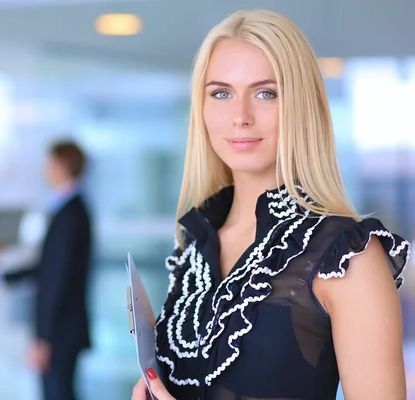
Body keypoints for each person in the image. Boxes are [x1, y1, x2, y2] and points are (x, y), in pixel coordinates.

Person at [132, 9, 410, 400]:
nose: (240, 116)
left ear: (301, 105)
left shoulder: (347, 255)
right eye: (221, 93)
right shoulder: (193, 247)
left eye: (266, 93)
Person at [4, 141, 93, 400]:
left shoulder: (69, 213)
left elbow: (56, 279)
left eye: (48, 163)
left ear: (61, 165)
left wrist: (44, 338)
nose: (44, 170)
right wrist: (1, 275)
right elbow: (48, 268)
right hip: (64, 329)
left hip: (59, 332)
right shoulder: (69, 210)